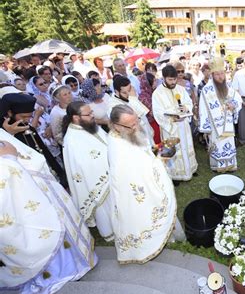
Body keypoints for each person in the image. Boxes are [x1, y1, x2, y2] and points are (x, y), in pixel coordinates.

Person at [0, 132, 97, 294]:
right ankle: (53, 275)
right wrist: (10, 160)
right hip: (16, 204)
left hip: (32, 195)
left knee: (51, 227)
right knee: (38, 236)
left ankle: (70, 266)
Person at [108, 104, 185, 264]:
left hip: (142, 180)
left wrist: (154, 150)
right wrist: (160, 160)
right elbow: (137, 174)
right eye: (131, 125)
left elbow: (142, 155)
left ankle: (167, 237)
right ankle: (145, 247)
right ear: (116, 126)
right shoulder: (118, 147)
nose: (136, 127)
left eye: (136, 121)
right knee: (143, 221)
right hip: (136, 195)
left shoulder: (125, 133)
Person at [62, 101, 114, 241]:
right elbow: (84, 164)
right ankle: (111, 231)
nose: (92, 115)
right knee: (104, 205)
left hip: (110, 170)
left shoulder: (90, 126)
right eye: (88, 113)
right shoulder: (72, 139)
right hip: (97, 178)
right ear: (76, 118)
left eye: (91, 112)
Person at [0, 93, 67, 187]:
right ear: (10, 113)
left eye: (30, 116)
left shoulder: (27, 127)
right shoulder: (2, 132)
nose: (27, 120)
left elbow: (44, 151)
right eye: (23, 117)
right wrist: (9, 134)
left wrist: (61, 174)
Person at [152, 65, 198, 181]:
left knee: (186, 147)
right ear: (163, 78)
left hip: (183, 125)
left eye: (174, 79)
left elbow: (188, 103)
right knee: (174, 150)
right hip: (170, 128)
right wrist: (171, 119)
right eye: (170, 80)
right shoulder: (157, 93)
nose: (173, 82)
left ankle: (190, 169)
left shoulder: (180, 89)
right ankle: (175, 175)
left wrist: (186, 109)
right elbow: (158, 113)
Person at [199, 57, 242, 172]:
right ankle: (218, 166)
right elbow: (202, 109)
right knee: (217, 145)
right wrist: (206, 128)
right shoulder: (206, 90)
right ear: (212, 75)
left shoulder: (228, 87)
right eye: (217, 74)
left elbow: (238, 100)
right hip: (214, 127)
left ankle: (231, 165)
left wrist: (234, 106)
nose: (220, 77)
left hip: (227, 124)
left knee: (228, 143)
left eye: (222, 73)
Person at [108, 75, 154, 146]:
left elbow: (143, 116)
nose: (128, 94)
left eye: (129, 90)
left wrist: (149, 130)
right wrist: (133, 99)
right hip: (135, 139)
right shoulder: (113, 106)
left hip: (146, 134)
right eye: (124, 92)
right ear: (116, 91)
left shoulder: (130, 96)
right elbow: (136, 116)